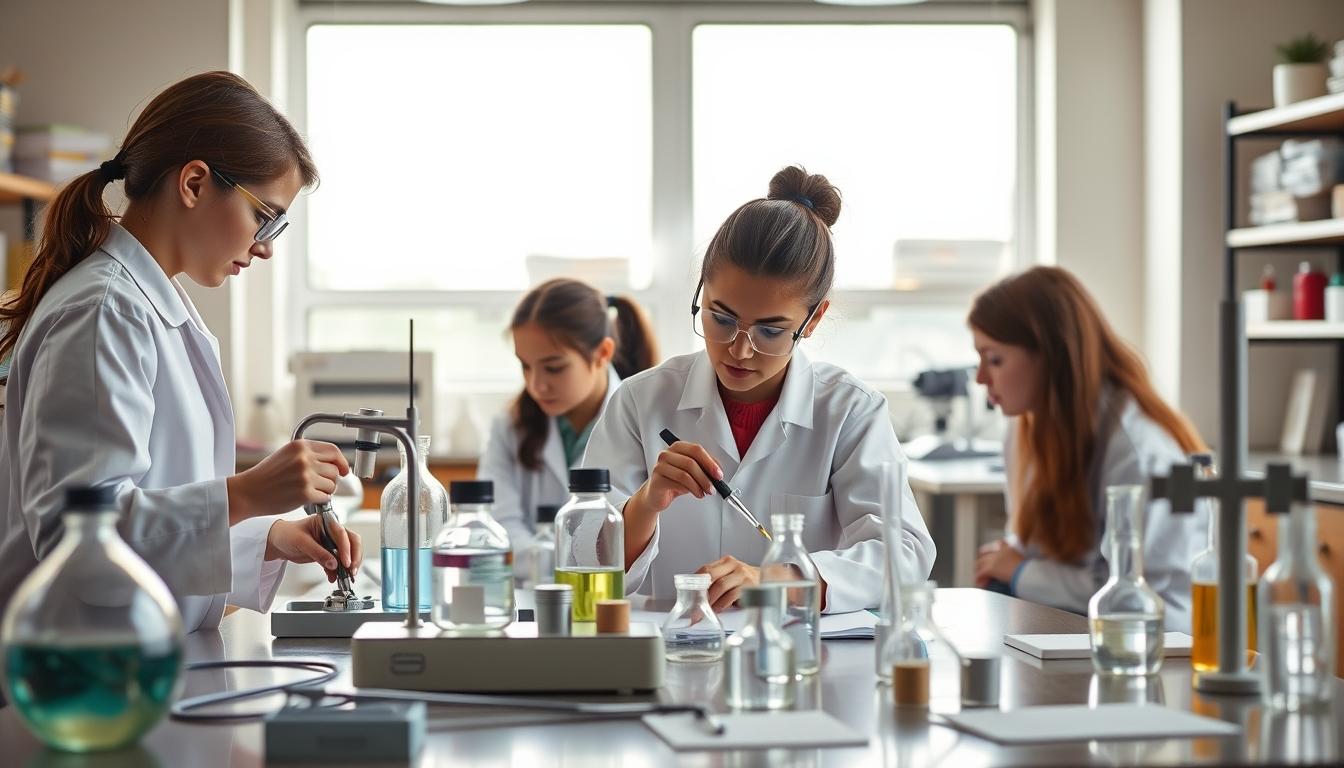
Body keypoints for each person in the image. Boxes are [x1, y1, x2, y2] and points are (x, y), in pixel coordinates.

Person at [0, 71, 360, 633]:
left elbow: (150, 502)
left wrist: (266, 538)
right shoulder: (103, 311)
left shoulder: (151, 306)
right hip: (79, 679)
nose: (265, 247)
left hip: (135, 661)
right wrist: (249, 491)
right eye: (263, 216)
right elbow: (78, 541)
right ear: (193, 183)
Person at [584, 166, 935, 614]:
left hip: (798, 657)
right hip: (672, 652)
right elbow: (583, 563)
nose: (740, 350)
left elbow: (904, 552)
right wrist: (645, 505)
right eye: (721, 318)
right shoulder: (640, 401)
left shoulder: (849, 411)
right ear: (701, 292)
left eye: (770, 331)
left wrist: (774, 580)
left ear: (814, 319)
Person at [969, 266, 1207, 631]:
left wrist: (1019, 570)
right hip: (1076, 627)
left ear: (1050, 354)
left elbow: (1133, 592)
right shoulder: (1024, 428)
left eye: (995, 359)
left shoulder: (1139, 450)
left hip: (1158, 643)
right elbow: (1038, 546)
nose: (981, 378)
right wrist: (1011, 559)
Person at [479, 278, 657, 549]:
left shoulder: (643, 423)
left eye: (553, 368)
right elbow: (498, 528)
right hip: (527, 590)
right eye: (525, 366)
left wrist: (554, 561)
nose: (536, 384)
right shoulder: (509, 427)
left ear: (602, 353)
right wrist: (565, 564)